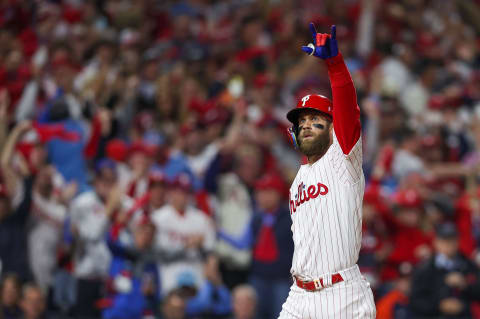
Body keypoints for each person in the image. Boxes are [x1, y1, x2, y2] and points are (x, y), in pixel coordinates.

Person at [278, 23, 375, 318]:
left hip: (341, 295)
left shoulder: (342, 156)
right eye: (301, 121)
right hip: (298, 296)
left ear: (333, 128)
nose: (306, 124)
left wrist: (334, 64)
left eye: (315, 119)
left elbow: (347, 108)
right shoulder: (298, 181)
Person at [409, 222, 480, 318]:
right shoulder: (424, 269)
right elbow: (416, 301)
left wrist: (465, 285)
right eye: (445, 240)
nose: (449, 244)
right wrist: (440, 305)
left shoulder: (468, 265)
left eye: (452, 240)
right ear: (436, 242)